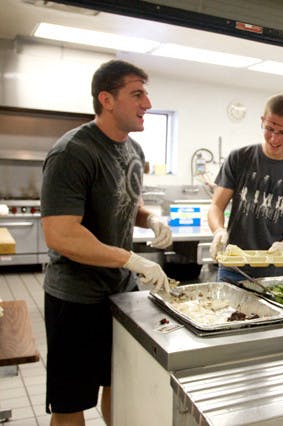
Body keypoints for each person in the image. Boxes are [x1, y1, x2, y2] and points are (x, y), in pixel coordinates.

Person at [40, 59, 173, 426]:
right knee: (72, 403)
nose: (147, 103)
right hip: (77, 297)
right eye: (137, 93)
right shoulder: (73, 152)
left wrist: (150, 219)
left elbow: (128, 202)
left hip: (121, 295)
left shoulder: (134, 151)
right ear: (107, 99)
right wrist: (131, 259)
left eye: (146, 93)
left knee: (121, 386)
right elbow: (61, 233)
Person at [208, 93, 283, 282]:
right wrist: (218, 230)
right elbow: (216, 206)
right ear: (262, 120)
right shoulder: (239, 158)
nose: (274, 138)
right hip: (233, 267)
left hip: (273, 271)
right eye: (269, 128)